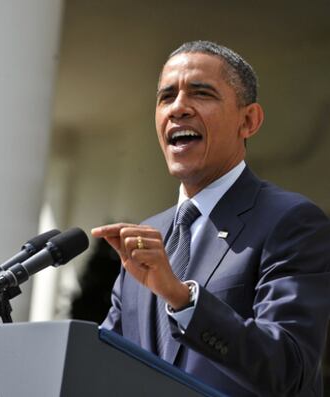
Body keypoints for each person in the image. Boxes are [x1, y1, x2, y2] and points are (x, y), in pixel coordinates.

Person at [91, 41, 330, 397]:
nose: (178, 108)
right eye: (166, 97)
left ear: (248, 121)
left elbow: (289, 369)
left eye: (201, 94)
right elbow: (100, 364)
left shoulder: (292, 222)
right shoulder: (146, 237)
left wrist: (184, 300)